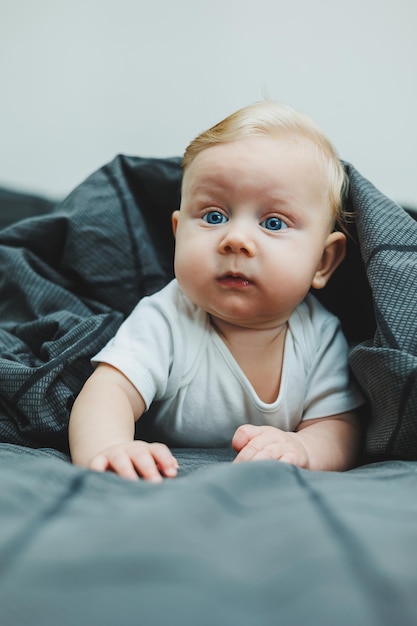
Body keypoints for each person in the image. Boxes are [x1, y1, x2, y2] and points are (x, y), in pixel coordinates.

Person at [69, 101, 364, 482]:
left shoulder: (319, 335)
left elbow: (340, 425)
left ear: (323, 262)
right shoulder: (167, 316)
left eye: (273, 222)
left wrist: (304, 448)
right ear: (178, 233)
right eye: (214, 217)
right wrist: (109, 446)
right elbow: (109, 391)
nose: (236, 239)